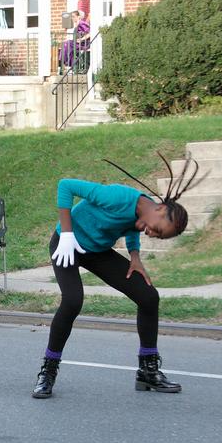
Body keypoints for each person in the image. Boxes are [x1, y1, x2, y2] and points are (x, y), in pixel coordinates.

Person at [32, 155, 201, 400]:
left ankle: (148, 370)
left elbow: (134, 227)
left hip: (97, 251)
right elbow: (65, 185)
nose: (152, 234)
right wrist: (67, 233)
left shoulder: (146, 212)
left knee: (148, 296)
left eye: (159, 237)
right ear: (161, 209)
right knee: (72, 300)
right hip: (67, 244)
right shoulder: (117, 197)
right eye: (158, 230)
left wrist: (135, 256)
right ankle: (48, 371)